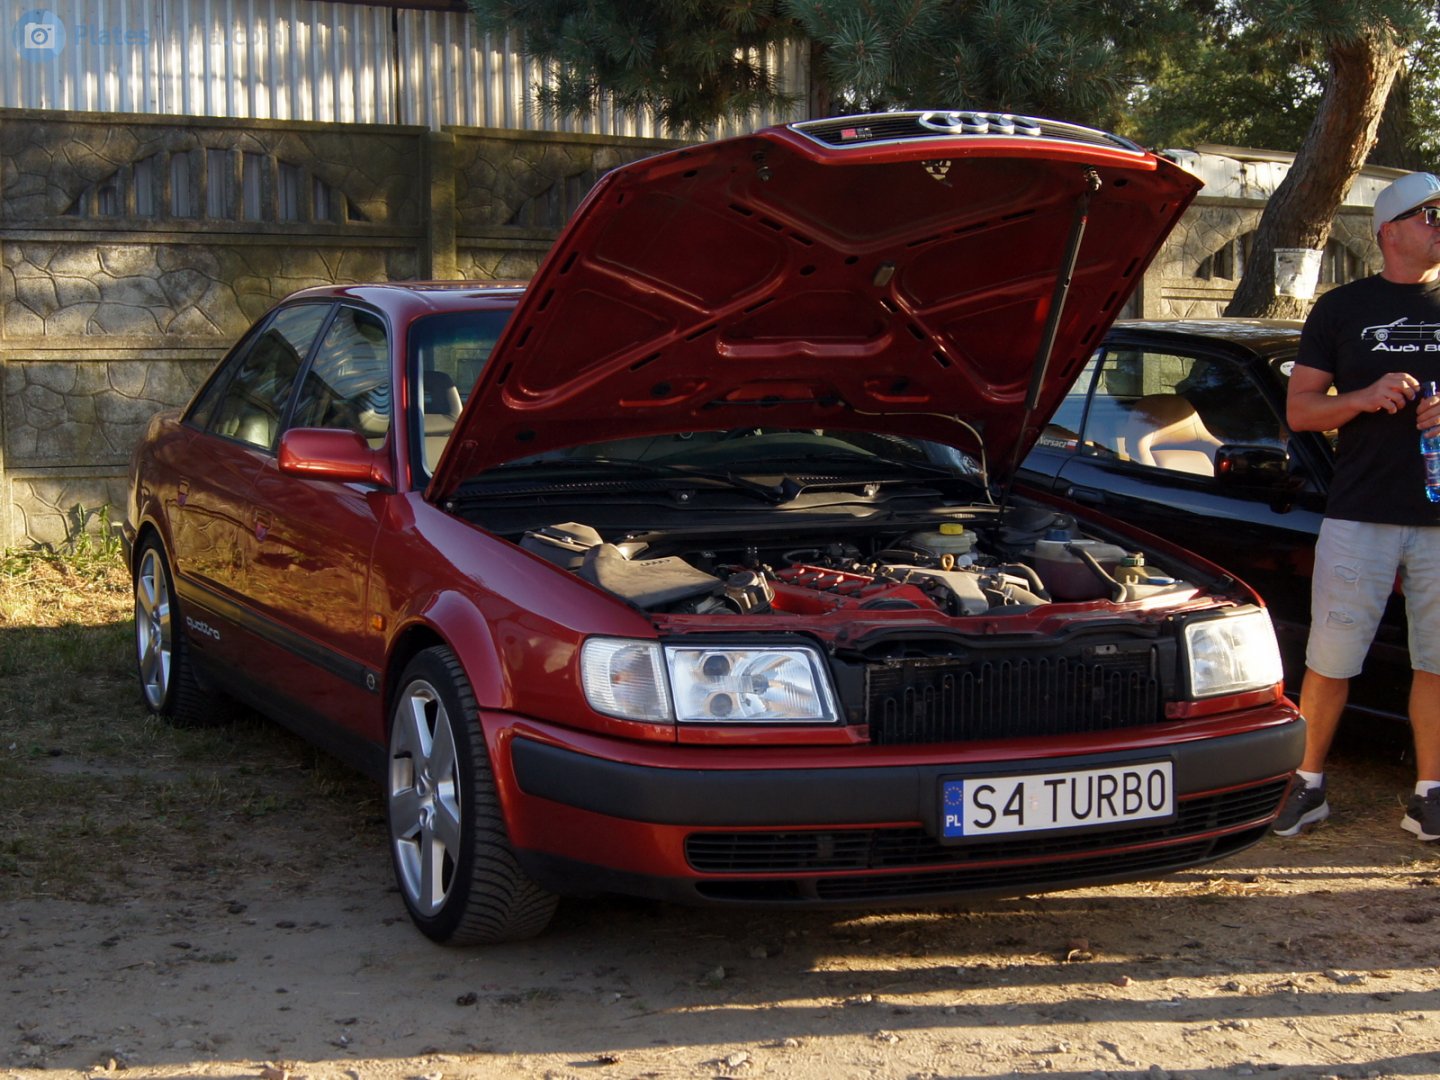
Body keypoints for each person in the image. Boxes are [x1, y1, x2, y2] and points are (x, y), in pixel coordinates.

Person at [1275, 170, 1440, 840]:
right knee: (1331, 657)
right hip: (1360, 512)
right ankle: (1307, 784)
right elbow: (1301, 409)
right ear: (1390, 230)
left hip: (1438, 521)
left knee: (1436, 659)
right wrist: (1362, 399)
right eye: (1432, 214)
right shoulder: (1342, 308)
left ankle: (1429, 795)